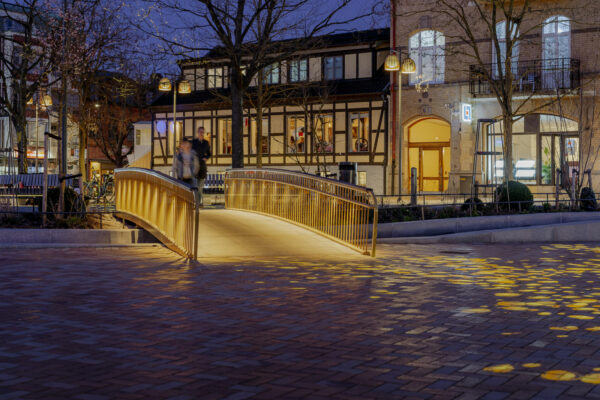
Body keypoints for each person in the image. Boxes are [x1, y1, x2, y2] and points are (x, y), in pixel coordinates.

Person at [191, 126, 212, 207]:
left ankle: (199, 203)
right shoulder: (194, 142)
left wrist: (206, 158)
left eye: (203, 132)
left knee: (200, 187)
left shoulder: (206, 143)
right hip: (195, 167)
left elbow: (209, 154)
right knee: (195, 187)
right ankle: (196, 202)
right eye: (200, 132)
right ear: (197, 132)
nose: (201, 133)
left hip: (202, 167)